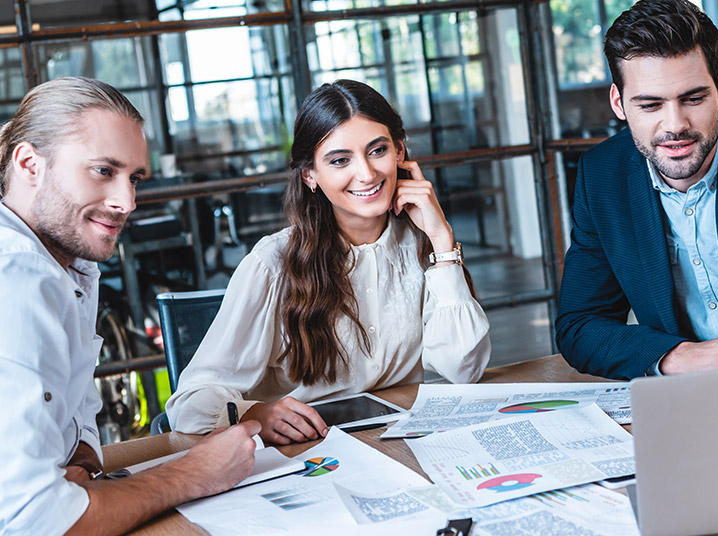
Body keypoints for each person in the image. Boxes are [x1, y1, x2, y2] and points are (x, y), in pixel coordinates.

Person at [0, 77, 261, 535]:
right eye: (102, 171)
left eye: (132, 178)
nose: (126, 201)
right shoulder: (6, 282)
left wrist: (78, 472)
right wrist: (194, 474)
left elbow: (77, 428)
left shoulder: (63, 260)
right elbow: (32, 523)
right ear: (29, 163)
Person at [165, 80, 491, 444]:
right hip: (302, 456)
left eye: (378, 150)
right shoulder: (272, 264)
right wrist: (252, 413)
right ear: (310, 175)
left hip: (400, 443)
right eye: (340, 160)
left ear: (400, 152)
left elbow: (464, 369)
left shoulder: (422, 244)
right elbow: (188, 405)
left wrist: (442, 240)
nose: (366, 174)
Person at [554, 0, 718, 379]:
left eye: (692, 98)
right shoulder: (603, 177)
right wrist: (677, 356)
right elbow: (579, 325)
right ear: (619, 103)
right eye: (650, 105)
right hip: (693, 398)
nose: (675, 126)